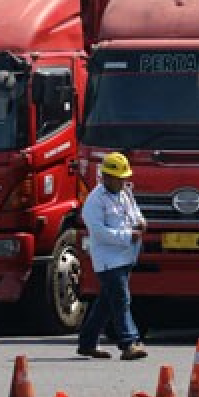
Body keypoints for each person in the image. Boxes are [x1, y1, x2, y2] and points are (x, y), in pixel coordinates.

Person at [76, 151, 148, 360]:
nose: (123, 181)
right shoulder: (94, 201)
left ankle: (87, 343)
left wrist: (141, 222)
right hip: (108, 260)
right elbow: (99, 232)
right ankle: (129, 342)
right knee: (121, 299)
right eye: (119, 178)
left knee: (106, 302)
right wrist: (128, 236)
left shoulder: (125, 193)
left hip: (126, 255)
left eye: (124, 177)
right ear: (106, 177)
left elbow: (134, 212)